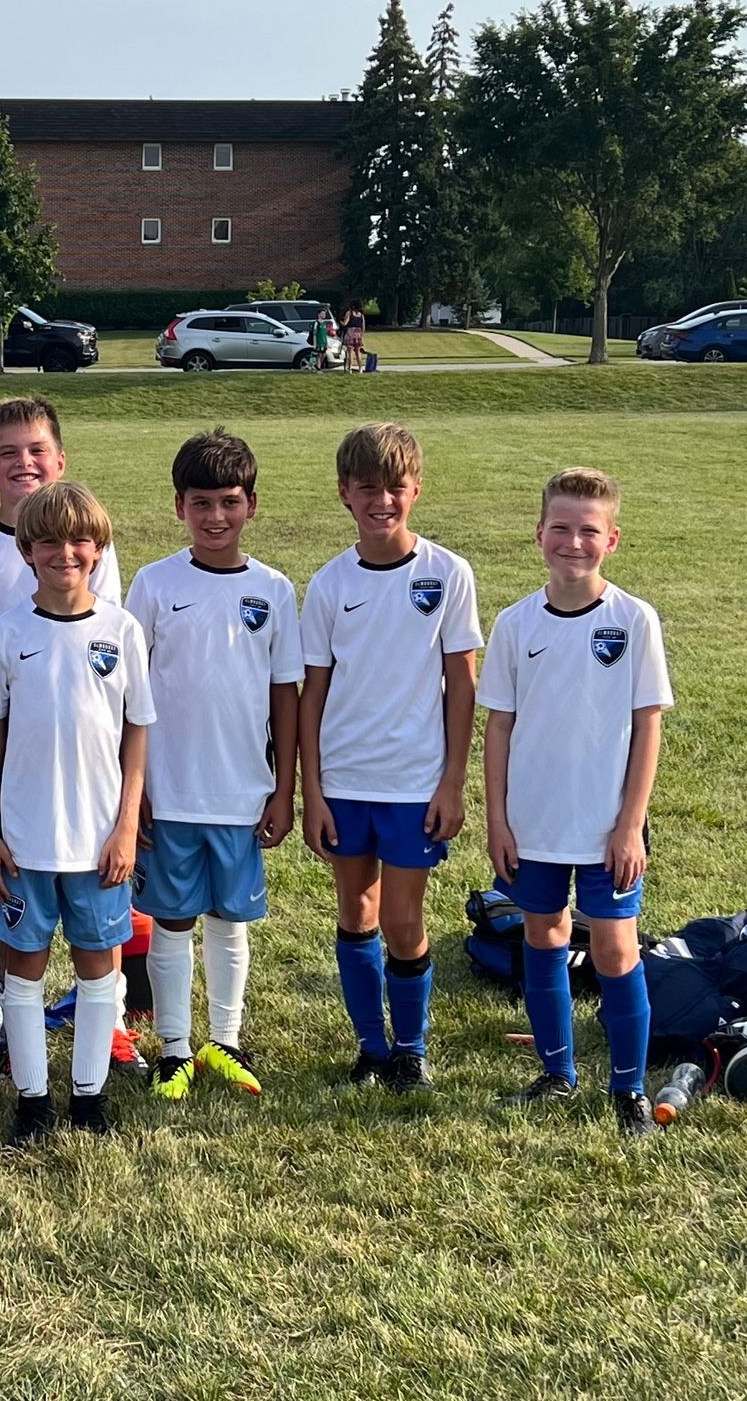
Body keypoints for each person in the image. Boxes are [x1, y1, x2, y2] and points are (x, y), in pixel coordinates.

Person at [480, 467, 672, 1135]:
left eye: (588, 530)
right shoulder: (514, 623)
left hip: (604, 825)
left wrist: (630, 824)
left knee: (617, 951)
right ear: (539, 534)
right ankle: (557, 1075)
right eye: (560, 528)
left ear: (611, 539)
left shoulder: (633, 620)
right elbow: (498, 725)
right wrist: (496, 816)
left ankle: (628, 1089)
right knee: (543, 935)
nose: (573, 542)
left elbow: (648, 725)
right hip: (532, 822)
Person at [299, 423, 482, 1092]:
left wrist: (453, 781)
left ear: (416, 490)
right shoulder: (327, 584)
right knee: (356, 912)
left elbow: (462, 682)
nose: (382, 502)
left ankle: (411, 1048)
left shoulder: (446, 573)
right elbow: (311, 694)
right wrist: (311, 792)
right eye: (368, 489)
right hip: (345, 780)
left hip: (414, 783)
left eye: (395, 489)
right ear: (345, 494)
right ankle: (370, 1049)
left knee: (404, 919)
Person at [126, 430, 304, 1102]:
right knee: (171, 920)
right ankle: (174, 1049)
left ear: (252, 505)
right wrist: (135, 785)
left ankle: (223, 1043)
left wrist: (282, 790)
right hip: (169, 794)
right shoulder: (154, 583)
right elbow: (130, 695)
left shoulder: (274, 590)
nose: (216, 517)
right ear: (179, 507)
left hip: (241, 792)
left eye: (229, 502)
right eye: (201, 503)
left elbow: (285, 696)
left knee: (231, 921)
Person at [0, 482, 154, 1144]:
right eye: (48, 541)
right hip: (23, 842)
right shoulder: (6, 632)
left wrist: (128, 824)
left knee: (96, 964)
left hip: (98, 842)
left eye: (80, 540)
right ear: (26, 551)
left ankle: (88, 1097)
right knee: (22, 966)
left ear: (99, 547)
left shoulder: (121, 629)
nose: (65, 553)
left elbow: (137, 730)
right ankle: (31, 1100)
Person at [0, 397, 121, 657]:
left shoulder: (87, 540)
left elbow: (106, 627)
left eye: (37, 450)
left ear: (60, 462)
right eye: (8, 452)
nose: (24, 461)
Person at [342, 301, 368, 374]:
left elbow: (345, 323)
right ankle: (360, 368)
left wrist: (341, 322)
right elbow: (363, 327)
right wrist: (361, 336)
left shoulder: (349, 313)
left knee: (350, 353)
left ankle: (350, 368)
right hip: (358, 334)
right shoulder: (361, 315)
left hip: (350, 333)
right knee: (358, 352)